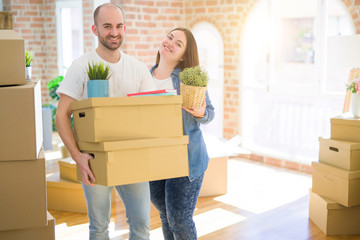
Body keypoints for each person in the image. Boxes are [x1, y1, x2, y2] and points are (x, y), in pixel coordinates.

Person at [55, 3, 155, 240]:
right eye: (107, 26)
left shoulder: (138, 69)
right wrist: (77, 157)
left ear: (125, 28)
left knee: (142, 227)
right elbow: (61, 115)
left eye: (119, 26)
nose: (114, 32)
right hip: (94, 160)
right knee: (99, 228)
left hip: (132, 157)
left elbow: (151, 113)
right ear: (95, 29)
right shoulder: (80, 66)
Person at [149, 27, 215, 240]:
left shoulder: (187, 79)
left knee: (179, 218)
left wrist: (201, 112)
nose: (170, 43)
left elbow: (209, 113)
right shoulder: (144, 77)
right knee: (164, 211)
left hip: (186, 159)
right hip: (156, 158)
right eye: (170, 38)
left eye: (178, 43)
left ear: (184, 55)